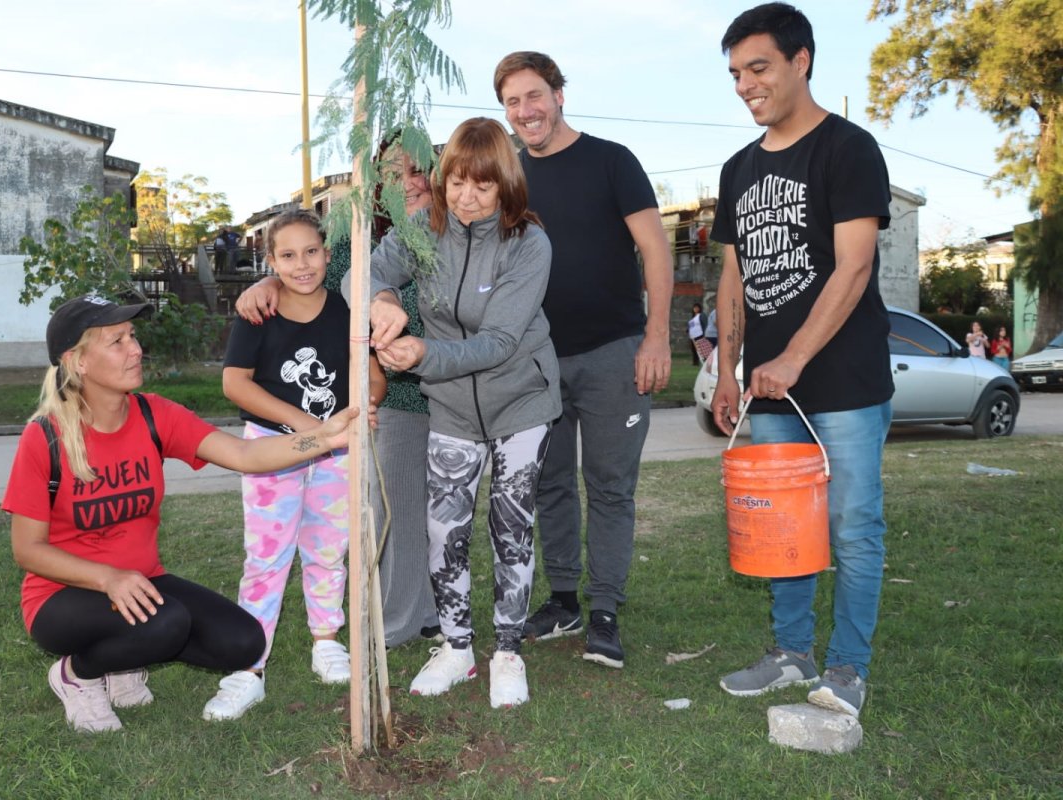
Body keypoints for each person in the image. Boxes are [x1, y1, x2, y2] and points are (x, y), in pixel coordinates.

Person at [2, 294, 357, 733]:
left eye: (133, 336)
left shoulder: (154, 414)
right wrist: (108, 578)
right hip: (61, 596)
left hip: (142, 582)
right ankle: (79, 673)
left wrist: (323, 438)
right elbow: (27, 550)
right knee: (166, 624)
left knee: (245, 642)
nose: (136, 350)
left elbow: (245, 454)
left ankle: (123, 658)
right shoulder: (44, 437)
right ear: (78, 362)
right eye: (117, 342)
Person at [710, 3, 895, 718]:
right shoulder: (737, 169)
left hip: (845, 383)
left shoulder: (849, 149)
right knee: (783, 527)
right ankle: (792, 653)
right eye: (735, 74)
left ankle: (848, 668)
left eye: (758, 68)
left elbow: (855, 267)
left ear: (801, 60)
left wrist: (792, 357)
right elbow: (734, 278)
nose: (745, 86)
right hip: (769, 390)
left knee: (852, 526)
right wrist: (728, 371)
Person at [363, 117, 560, 709]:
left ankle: (508, 651)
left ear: (506, 184)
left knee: (510, 525)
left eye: (482, 185)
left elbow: (498, 342)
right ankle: (455, 648)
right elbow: (367, 272)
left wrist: (422, 353)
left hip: (521, 400)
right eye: (455, 183)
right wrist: (383, 299)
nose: (466, 198)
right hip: (450, 406)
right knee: (444, 527)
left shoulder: (529, 243)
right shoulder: (424, 227)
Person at [494, 51, 674, 669]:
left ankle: (604, 610)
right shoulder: (510, 177)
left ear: (559, 95)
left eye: (534, 96)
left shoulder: (612, 160)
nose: (525, 111)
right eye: (512, 102)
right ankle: (564, 599)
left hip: (613, 353)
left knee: (610, 486)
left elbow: (656, 251)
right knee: (548, 484)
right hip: (536, 359)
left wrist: (656, 337)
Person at [234, 137, 442, 649]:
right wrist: (265, 284)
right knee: (395, 510)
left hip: (455, 389)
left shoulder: (454, 230)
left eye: (419, 170)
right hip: (392, 402)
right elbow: (306, 270)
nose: (408, 183)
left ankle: (436, 610)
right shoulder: (356, 239)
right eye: (393, 173)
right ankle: (397, 619)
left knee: (445, 512)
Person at [203, 209, 387, 721]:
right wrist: (308, 427)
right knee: (266, 557)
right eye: (287, 255)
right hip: (271, 450)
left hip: (338, 450)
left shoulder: (348, 309)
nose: (301, 264)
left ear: (327, 254)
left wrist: (368, 402)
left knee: (329, 548)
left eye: (311, 252)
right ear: (271, 260)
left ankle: (326, 639)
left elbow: (373, 376)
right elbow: (235, 383)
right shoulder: (258, 312)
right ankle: (248, 666)